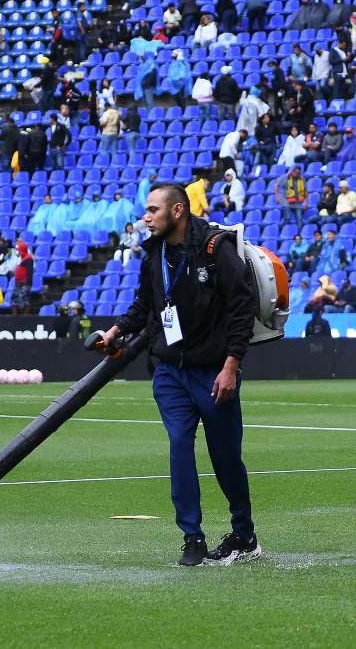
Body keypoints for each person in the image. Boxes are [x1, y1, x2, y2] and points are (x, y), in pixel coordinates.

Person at [98, 183, 258, 567]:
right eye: (146, 210)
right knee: (179, 447)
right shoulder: (153, 255)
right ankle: (193, 537)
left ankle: (243, 533)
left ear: (178, 211)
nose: (145, 217)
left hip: (214, 372)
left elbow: (242, 307)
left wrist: (232, 365)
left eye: (153, 210)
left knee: (225, 458)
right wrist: (116, 331)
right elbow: (146, 305)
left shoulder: (214, 249)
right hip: (170, 372)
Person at [11, 240, 34, 315]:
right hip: (18, 283)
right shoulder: (21, 258)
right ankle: (15, 317)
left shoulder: (29, 258)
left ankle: (25, 317)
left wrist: (28, 284)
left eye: (18, 250)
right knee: (14, 299)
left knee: (25, 300)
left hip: (24, 283)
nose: (17, 251)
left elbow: (30, 272)